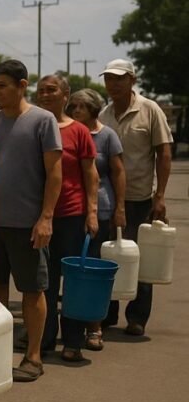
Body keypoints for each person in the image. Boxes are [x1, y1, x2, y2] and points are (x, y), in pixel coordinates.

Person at [0, 61, 62, 382]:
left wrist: (46, 217)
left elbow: (55, 173)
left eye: (3, 85)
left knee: (32, 291)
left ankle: (33, 355)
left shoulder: (43, 121)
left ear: (22, 85)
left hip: (28, 225)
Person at [98, 59, 173, 337]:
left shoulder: (149, 109)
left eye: (119, 79)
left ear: (132, 79)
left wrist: (160, 196)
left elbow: (164, 153)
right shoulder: (103, 115)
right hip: (108, 199)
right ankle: (108, 312)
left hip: (140, 197)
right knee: (110, 255)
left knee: (139, 257)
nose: (113, 84)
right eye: (109, 79)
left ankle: (137, 317)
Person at [36, 75, 99, 362]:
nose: (46, 95)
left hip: (72, 215)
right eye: (41, 91)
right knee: (43, 282)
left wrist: (92, 212)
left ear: (66, 94)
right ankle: (43, 339)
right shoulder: (34, 125)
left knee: (71, 282)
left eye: (52, 90)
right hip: (37, 218)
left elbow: (90, 174)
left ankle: (72, 340)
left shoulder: (79, 132)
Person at [67, 88, 127, 351]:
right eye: (73, 106)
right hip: (70, 210)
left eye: (82, 106)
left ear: (93, 108)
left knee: (92, 270)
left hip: (99, 210)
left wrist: (120, 208)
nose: (76, 110)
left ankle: (94, 327)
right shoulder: (66, 132)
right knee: (72, 271)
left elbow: (117, 172)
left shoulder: (106, 135)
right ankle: (70, 327)